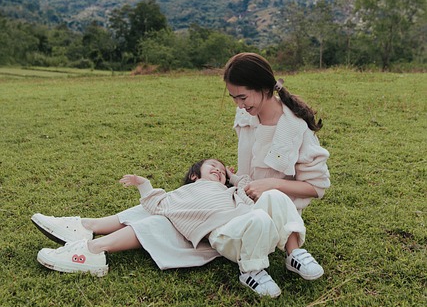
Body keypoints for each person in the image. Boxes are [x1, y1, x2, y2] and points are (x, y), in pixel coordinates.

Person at [32, 52, 330, 279]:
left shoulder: (295, 128)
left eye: (243, 97)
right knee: (178, 201)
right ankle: (86, 226)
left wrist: (270, 184)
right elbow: (251, 172)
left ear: (264, 87)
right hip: (240, 198)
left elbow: (316, 187)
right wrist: (231, 178)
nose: (239, 105)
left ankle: (94, 250)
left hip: (267, 214)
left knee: (172, 219)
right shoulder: (247, 116)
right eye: (233, 98)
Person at [35, 158, 320, 297]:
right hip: (226, 236)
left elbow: (248, 186)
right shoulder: (181, 194)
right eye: (213, 166)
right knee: (258, 219)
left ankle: (294, 253)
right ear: (194, 175)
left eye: (222, 170)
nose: (219, 170)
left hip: (250, 228)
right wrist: (143, 183)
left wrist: (231, 178)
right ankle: (252, 272)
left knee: (274, 195)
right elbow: (155, 203)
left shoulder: (234, 193)